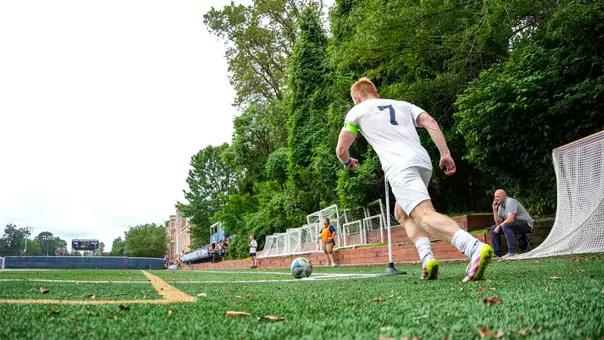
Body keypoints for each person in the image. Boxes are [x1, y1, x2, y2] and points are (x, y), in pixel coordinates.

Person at [335, 77, 494, 282]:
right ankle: (427, 259)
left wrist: (347, 162)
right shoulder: (404, 105)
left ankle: (474, 248)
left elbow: (341, 150)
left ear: (357, 97)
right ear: (375, 92)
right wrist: (445, 154)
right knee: (401, 212)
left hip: (400, 166)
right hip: (422, 161)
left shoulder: (357, 111)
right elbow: (431, 122)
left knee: (423, 214)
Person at [491, 189, 534, 258]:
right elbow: (498, 222)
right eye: (495, 197)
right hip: (514, 225)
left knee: (505, 226)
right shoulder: (501, 206)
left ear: (504, 196)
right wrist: (494, 210)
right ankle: (497, 254)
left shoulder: (510, 201)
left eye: (498, 197)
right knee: (494, 228)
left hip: (525, 224)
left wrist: (499, 226)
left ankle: (512, 252)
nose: (496, 199)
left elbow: (511, 219)